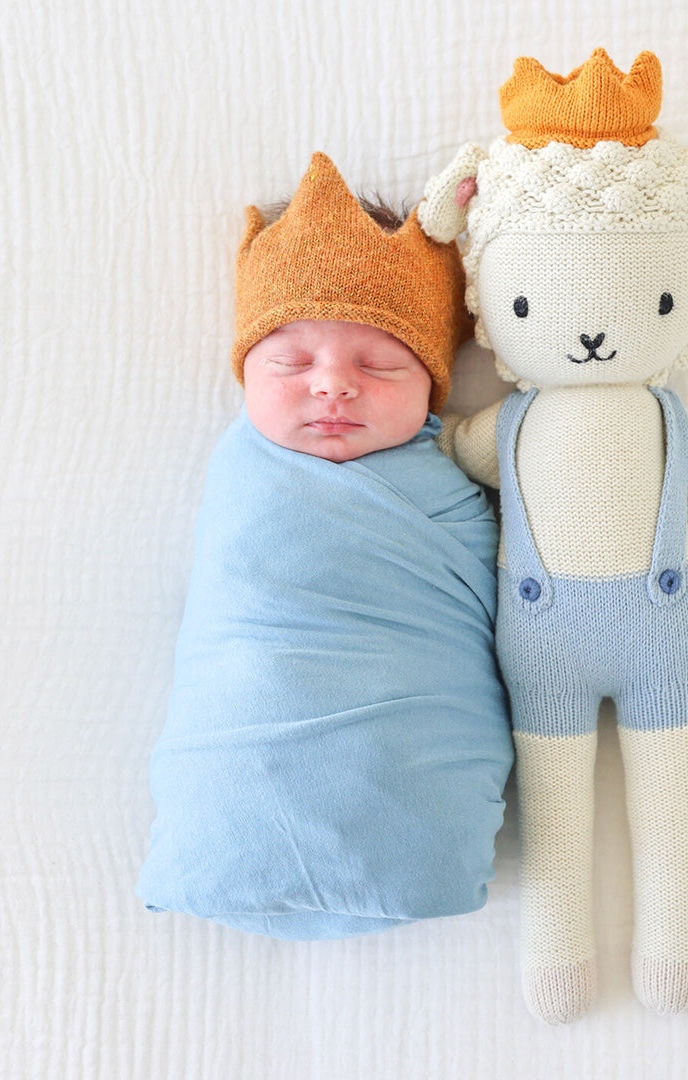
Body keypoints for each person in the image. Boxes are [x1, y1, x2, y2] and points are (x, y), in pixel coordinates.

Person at [135, 152, 513, 940]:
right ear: (246, 373)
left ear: (436, 381)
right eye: (292, 361)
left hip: (415, 757)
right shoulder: (243, 473)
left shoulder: (457, 482)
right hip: (232, 744)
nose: (334, 385)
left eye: (379, 363)